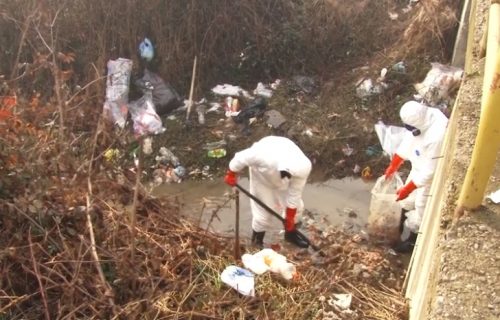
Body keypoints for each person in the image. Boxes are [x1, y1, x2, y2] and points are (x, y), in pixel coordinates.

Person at [224, 136, 312, 248]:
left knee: (298, 208)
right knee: (263, 215)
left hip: (282, 182)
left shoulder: (303, 168)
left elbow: (294, 193)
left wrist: (290, 216)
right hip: (262, 179)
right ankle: (257, 241)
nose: (287, 177)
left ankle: (290, 235)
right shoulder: (263, 155)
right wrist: (231, 172)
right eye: (286, 174)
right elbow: (240, 158)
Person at [383, 100, 448, 252]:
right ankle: (397, 229)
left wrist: (409, 188)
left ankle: (412, 243)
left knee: (421, 207)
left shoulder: (437, 136)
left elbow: (430, 172)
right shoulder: (419, 119)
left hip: (431, 177)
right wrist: (394, 164)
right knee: (405, 202)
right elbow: (409, 140)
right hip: (419, 166)